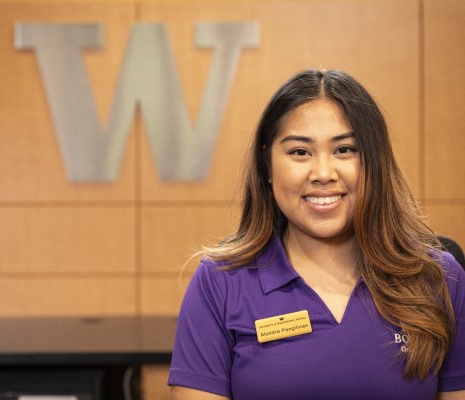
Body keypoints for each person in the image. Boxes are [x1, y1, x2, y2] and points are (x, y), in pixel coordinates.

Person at [168, 69, 465, 399]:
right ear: (267, 166)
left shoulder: (440, 278)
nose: (323, 173)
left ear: (375, 163)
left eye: (345, 150)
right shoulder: (219, 283)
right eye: (299, 152)